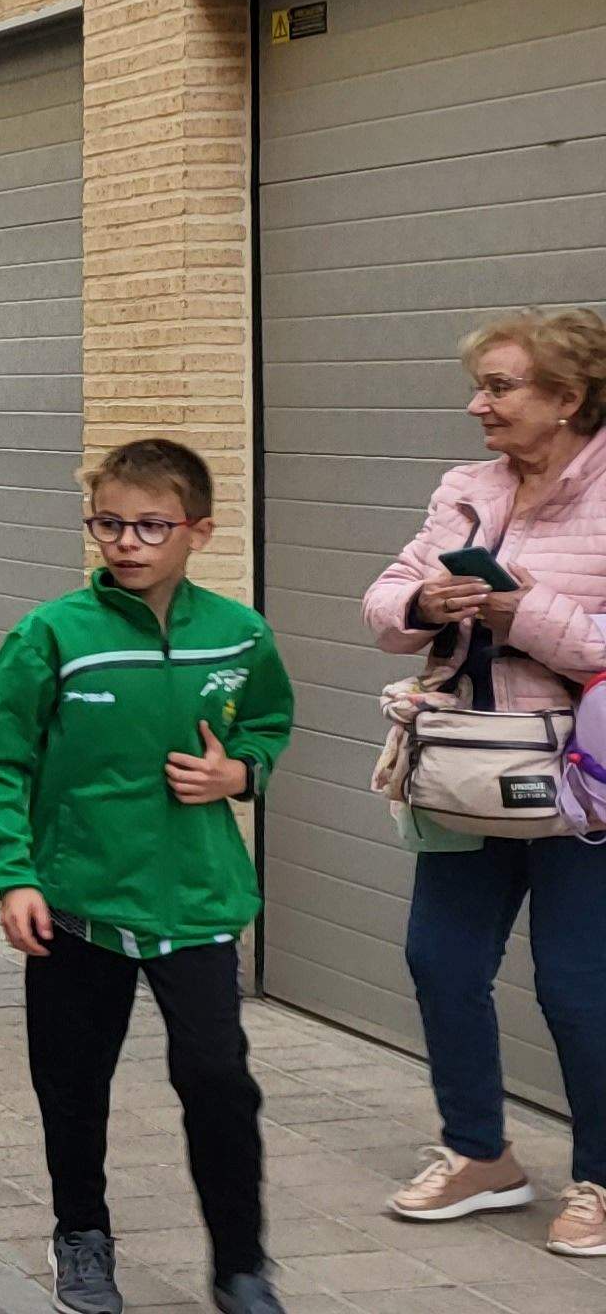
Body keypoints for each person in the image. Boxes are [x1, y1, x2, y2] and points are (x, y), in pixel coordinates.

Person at [0, 439, 294, 1314]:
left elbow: (267, 723)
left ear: (199, 532)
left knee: (219, 1081)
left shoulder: (240, 633)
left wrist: (242, 773)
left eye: (150, 524)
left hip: (196, 902)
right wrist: (14, 875)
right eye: (109, 522)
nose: (126, 542)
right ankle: (82, 1235)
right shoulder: (53, 634)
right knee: (73, 1085)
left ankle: (241, 1264)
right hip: (76, 908)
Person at [361, 307, 606, 1258]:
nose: (478, 405)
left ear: (568, 398)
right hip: (466, 767)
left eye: (501, 388)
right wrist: (424, 602)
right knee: (441, 962)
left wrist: (523, 613)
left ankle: (599, 1176)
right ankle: (480, 1154)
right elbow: (385, 601)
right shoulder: (465, 489)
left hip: (581, 782)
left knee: (580, 990)